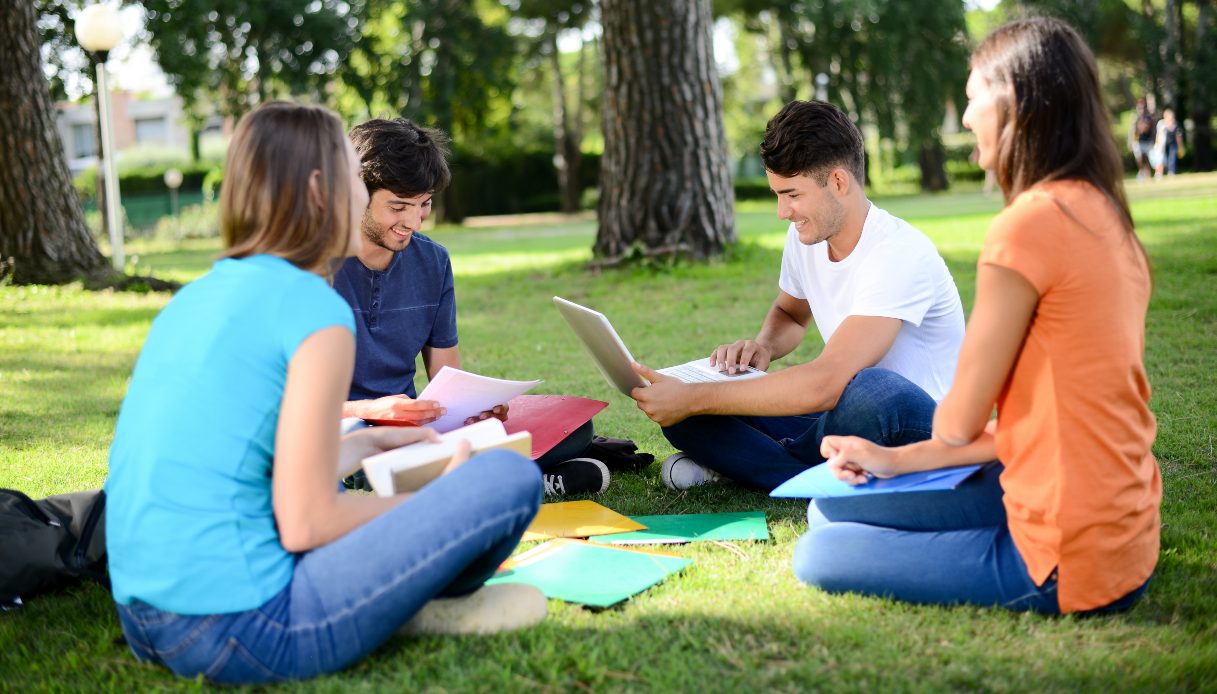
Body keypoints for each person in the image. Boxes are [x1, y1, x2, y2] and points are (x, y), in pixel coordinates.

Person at [105, 102, 546, 685]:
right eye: (351, 173)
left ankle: (386, 600)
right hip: (240, 627)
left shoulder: (196, 298)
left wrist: (366, 450)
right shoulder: (313, 307)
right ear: (322, 188)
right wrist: (440, 503)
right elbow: (305, 523)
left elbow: (259, 461)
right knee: (507, 481)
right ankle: (410, 605)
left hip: (144, 616)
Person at [794, 17, 1160, 616]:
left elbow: (958, 424)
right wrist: (890, 459)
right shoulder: (1106, 215)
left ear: (1014, 103)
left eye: (971, 100)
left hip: (1071, 556)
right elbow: (1034, 425)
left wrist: (906, 458)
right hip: (1122, 521)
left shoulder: (1026, 228)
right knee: (828, 505)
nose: (965, 119)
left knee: (818, 553)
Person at [629, 100, 966, 492]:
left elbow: (827, 383)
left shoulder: (899, 252)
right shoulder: (806, 236)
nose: (782, 212)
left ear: (838, 182)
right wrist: (763, 348)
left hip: (913, 422)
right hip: (836, 416)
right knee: (685, 416)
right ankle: (815, 473)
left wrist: (697, 396)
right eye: (777, 194)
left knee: (873, 389)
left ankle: (772, 468)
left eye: (791, 194)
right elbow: (790, 315)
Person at [333, 118, 649, 497]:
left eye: (424, 205)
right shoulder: (313, 266)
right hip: (347, 427)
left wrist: (476, 409)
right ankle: (519, 479)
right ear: (356, 192)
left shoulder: (433, 262)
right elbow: (283, 406)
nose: (412, 222)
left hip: (415, 431)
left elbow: (446, 376)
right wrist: (374, 410)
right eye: (398, 207)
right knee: (349, 442)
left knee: (577, 429)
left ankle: (451, 477)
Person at [1129, 97, 1157, 181]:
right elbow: (1132, 130)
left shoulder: (1148, 117)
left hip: (1147, 141)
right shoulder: (1135, 117)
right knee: (1139, 158)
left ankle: (1148, 174)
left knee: (1148, 159)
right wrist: (1131, 141)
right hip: (1138, 141)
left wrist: (1153, 139)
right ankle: (1141, 172)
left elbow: (1149, 128)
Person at [1154, 108, 1185, 178]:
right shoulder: (1161, 124)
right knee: (1163, 159)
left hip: (1173, 144)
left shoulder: (1176, 125)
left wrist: (1180, 146)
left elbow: (1178, 137)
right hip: (1164, 145)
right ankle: (1161, 172)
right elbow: (1158, 135)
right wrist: (1157, 144)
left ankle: (1171, 171)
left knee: (1172, 157)